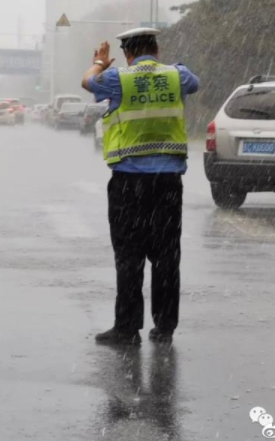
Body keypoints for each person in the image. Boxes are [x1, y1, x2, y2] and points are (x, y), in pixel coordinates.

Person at [81, 28, 199, 345]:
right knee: (166, 256)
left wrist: (100, 62)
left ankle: (128, 328)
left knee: (129, 255)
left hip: (129, 182)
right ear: (157, 48)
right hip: (168, 183)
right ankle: (164, 328)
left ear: (128, 53)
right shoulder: (178, 76)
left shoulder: (118, 79)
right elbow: (194, 83)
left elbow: (87, 82)